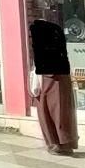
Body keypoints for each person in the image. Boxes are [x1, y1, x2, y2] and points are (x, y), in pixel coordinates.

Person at [30, 20, 78, 156]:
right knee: (52, 114)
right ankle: (58, 144)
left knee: (57, 113)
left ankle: (60, 144)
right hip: (50, 82)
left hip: (53, 82)